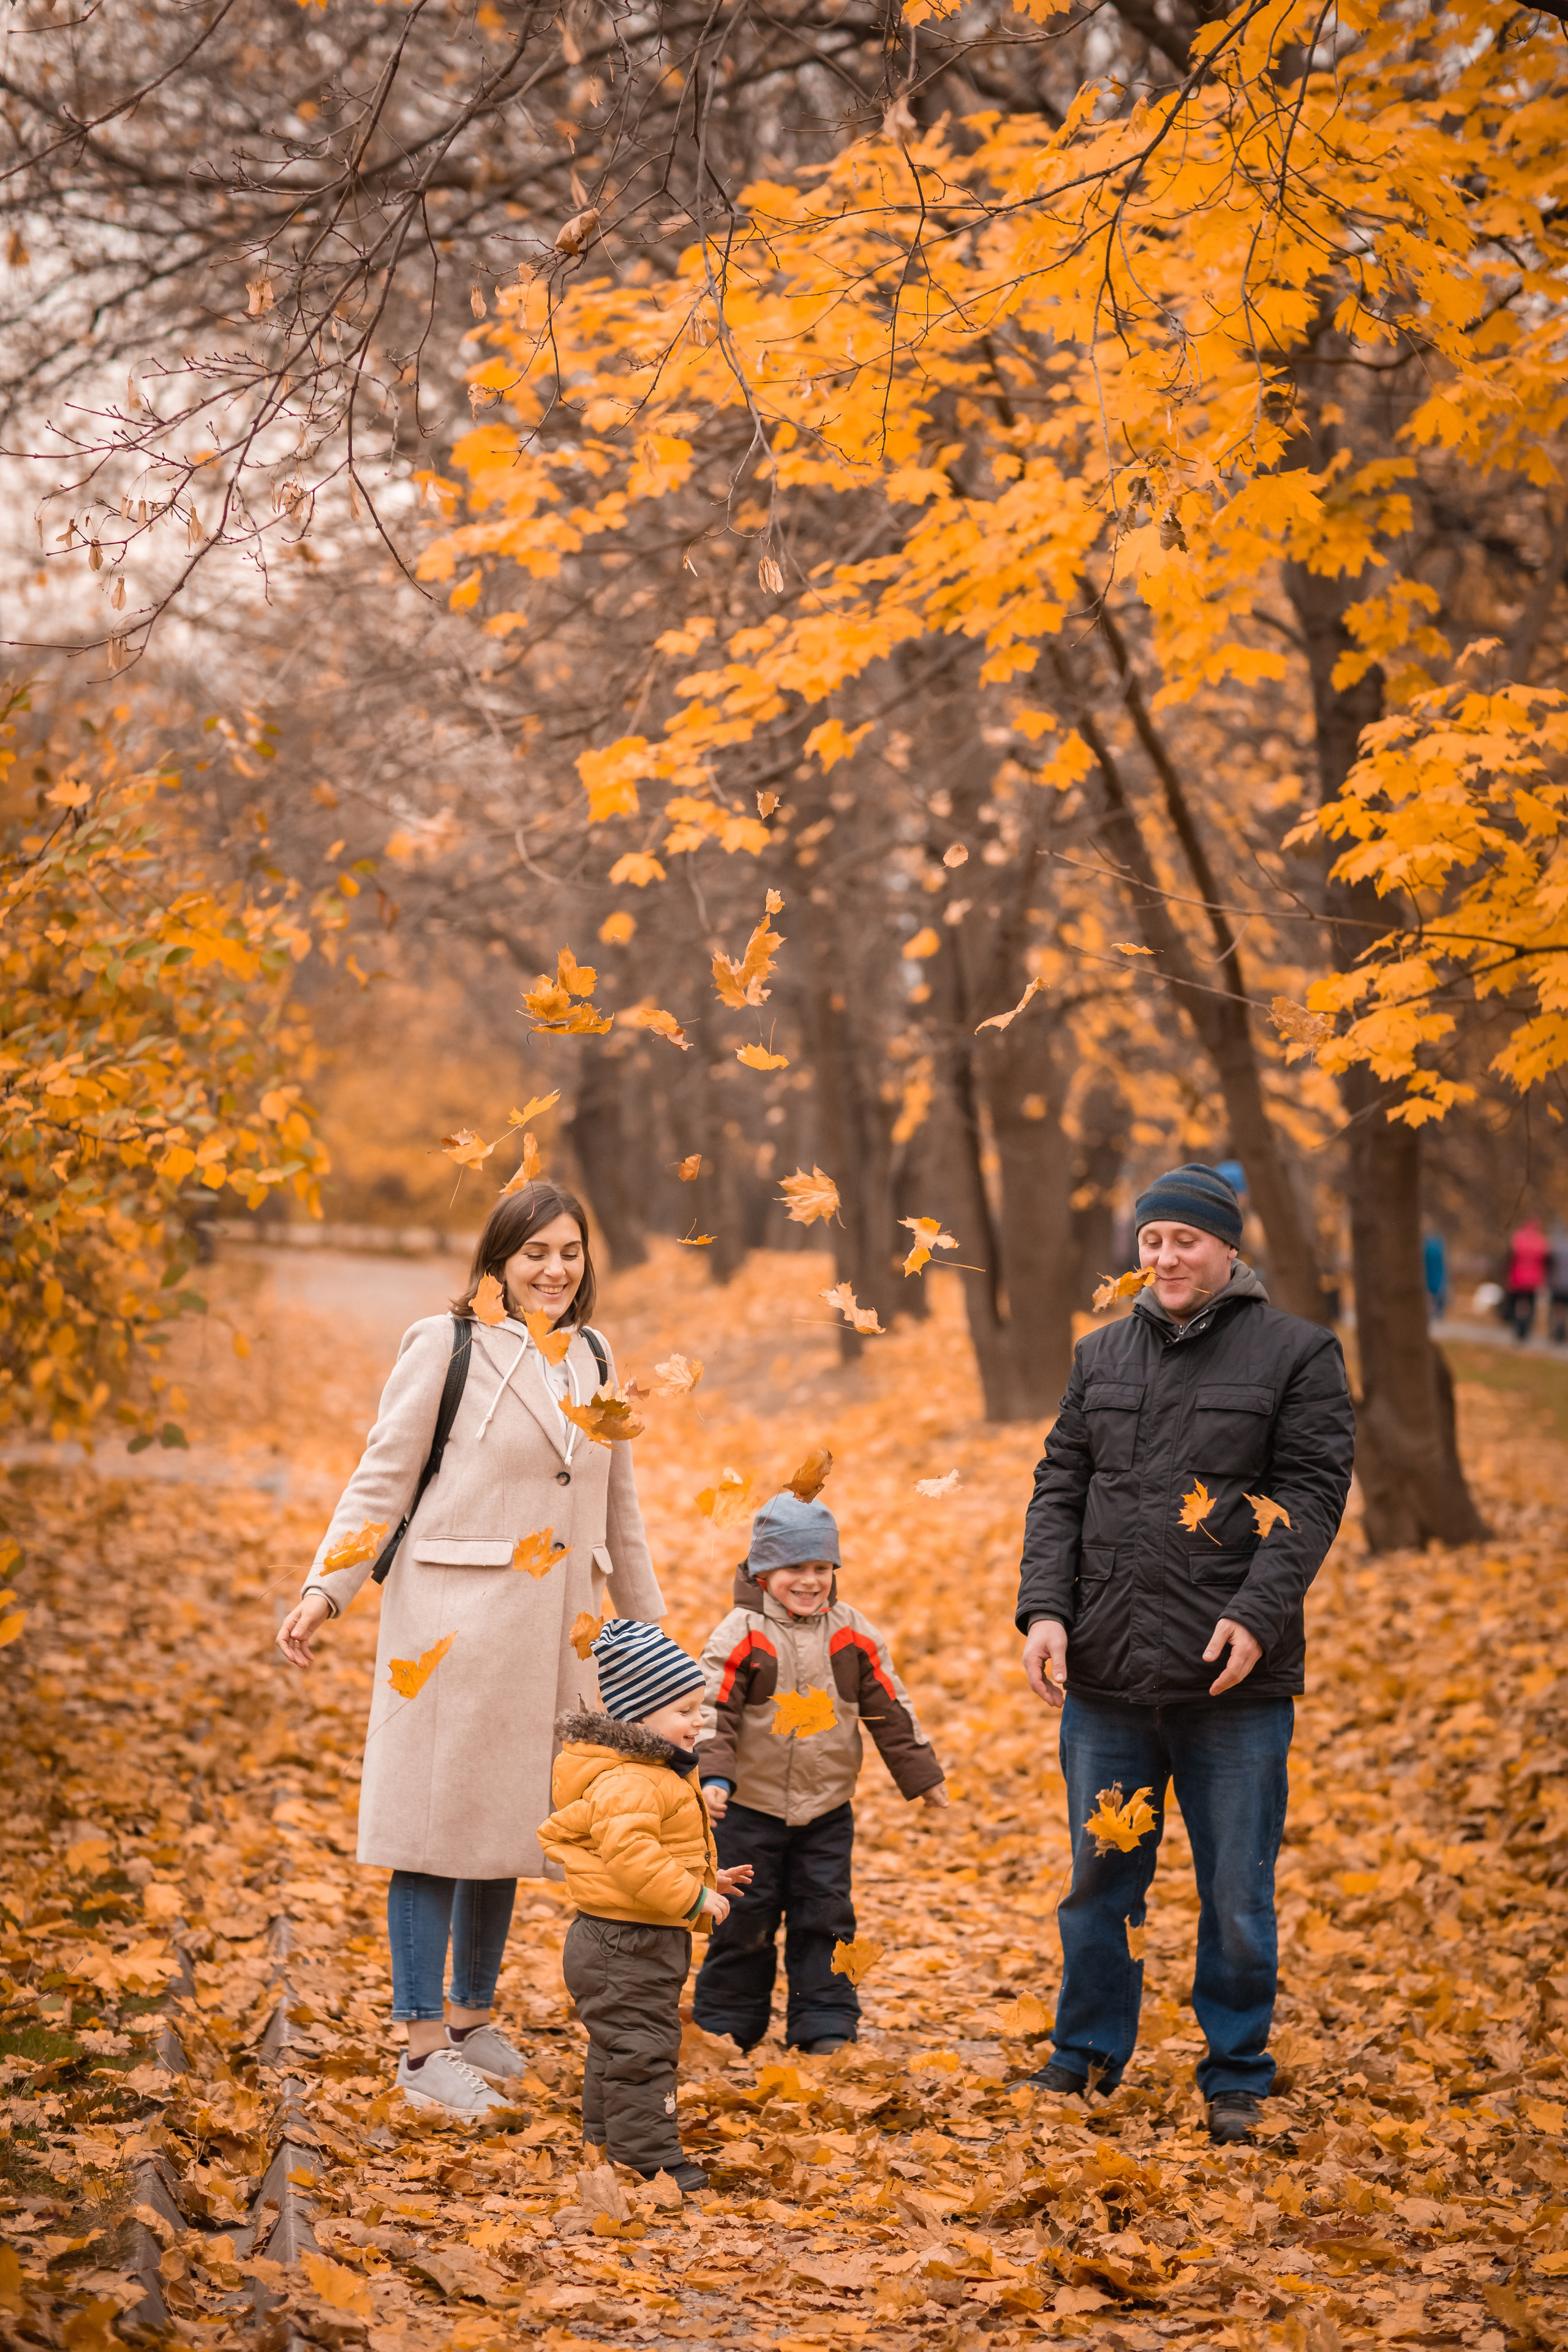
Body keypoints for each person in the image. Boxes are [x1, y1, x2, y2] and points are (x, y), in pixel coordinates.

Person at [274, 1182, 666, 2121]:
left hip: (557, 1639)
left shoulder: (596, 1356)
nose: (555, 1269)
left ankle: (470, 2021)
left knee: (507, 1826)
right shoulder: (445, 1346)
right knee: (432, 1828)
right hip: (453, 1627)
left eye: (570, 1252)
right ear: (497, 1262)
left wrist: (650, 1639)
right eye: (535, 1252)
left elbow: (621, 1509)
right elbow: (382, 1477)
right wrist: (325, 1588)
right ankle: (418, 2053)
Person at [1016, 1161, 1355, 2147]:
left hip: (1231, 1682)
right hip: (1109, 1675)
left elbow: (1312, 1495)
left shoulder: (1298, 1353)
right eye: (1152, 1239)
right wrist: (1045, 1613)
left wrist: (1256, 1613)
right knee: (1098, 1885)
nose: (1165, 1256)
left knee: (1237, 1892)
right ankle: (1084, 2054)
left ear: (1228, 1248)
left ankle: (1237, 2070)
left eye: (1185, 1240)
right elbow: (1058, 1489)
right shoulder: (1100, 1355)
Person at [690, 1491, 947, 2056]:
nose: (810, 1582)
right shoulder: (742, 1634)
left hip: (827, 1811)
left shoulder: (850, 1634)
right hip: (749, 1811)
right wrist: (714, 1778)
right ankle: (727, 2024)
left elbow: (889, 1704)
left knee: (826, 1915)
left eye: (821, 1568)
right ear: (762, 1572)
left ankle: (825, 2023)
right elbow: (713, 1710)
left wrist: (921, 1775)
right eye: (794, 1569)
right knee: (742, 1920)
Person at [538, 1619, 752, 2190]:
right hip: (625, 1943)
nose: (698, 1720)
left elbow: (656, 1850)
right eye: (684, 1710)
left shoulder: (651, 1772)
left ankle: (607, 2139)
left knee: (618, 2045)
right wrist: (692, 1894)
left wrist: (709, 1878)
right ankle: (649, 2161)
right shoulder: (630, 1781)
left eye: (699, 1707)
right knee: (643, 2049)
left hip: (631, 1937)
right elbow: (632, 1857)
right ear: (639, 1718)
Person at [1504, 1219, 1550, 1343]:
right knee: (1529, 1304)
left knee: (1519, 1304)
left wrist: (1509, 1278)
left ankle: (1519, 1328)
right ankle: (1526, 1329)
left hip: (1518, 1278)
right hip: (1534, 1280)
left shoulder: (1517, 1238)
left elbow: (1511, 1259)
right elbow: (1545, 1262)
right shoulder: (1542, 1241)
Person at [1423, 1230, 1448, 1322]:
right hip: (1436, 1281)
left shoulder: (1428, 1248)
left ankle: (1436, 1315)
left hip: (1432, 1281)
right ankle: (1438, 1315)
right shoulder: (1437, 1248)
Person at [1551, 1226, 1568, 1346]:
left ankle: (1559, 1332)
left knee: (1559, 1310)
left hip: (1558, 1284)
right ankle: (1562, 1332)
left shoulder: (1557, 1248)